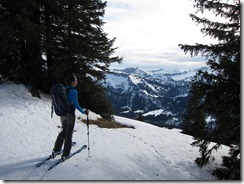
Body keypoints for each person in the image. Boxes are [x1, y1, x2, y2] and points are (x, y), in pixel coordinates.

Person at [51, 74, 89, 160]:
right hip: (70, 115)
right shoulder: (73, 91)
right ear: (72, 82)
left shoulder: (63, 89)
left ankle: (56, 150)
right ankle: (66, 154)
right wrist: (84, 111)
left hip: (62, 114)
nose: (77, 82)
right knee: (69, 134)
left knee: (63, 132)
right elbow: (76, 104)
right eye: (75, 81)